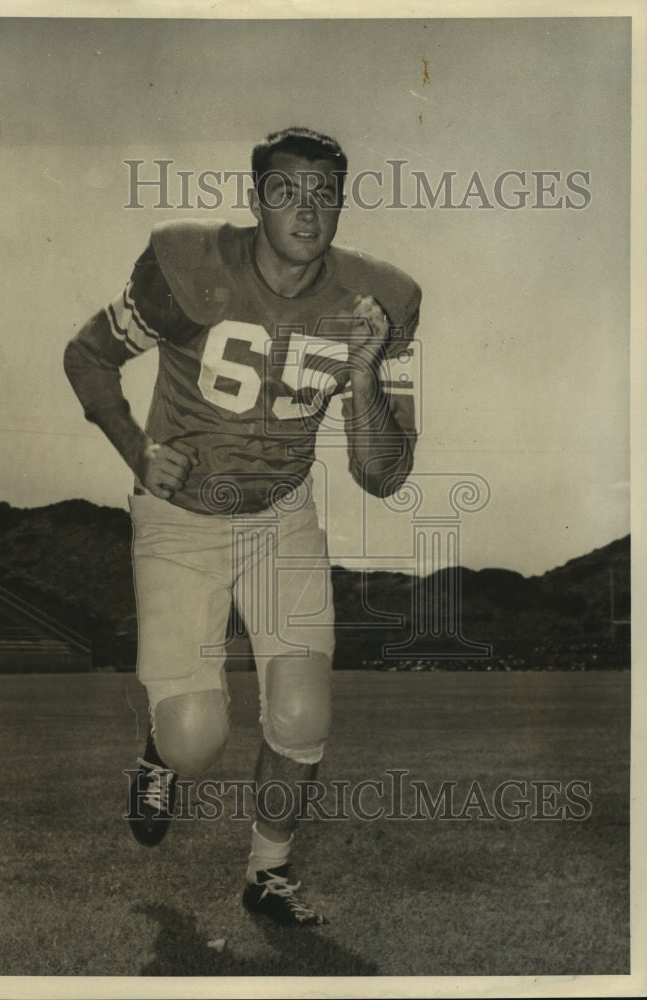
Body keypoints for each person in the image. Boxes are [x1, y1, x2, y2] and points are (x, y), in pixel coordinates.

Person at [64, 126, 421, 926]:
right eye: (287, 190)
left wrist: (363, 373)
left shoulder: (380, 304)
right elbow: (86, 356)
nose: (307, 208)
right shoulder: (188, 268)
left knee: (302, 713)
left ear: (341, 204)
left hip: (280, 514)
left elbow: (381, 472)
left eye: (324, 193)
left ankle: (269, 871)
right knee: (195, 738)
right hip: (181, 517)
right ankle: (160, 748)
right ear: (256, 199)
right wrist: (136, 450)